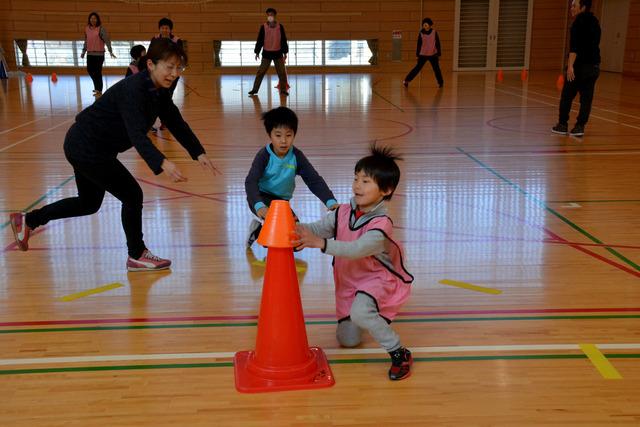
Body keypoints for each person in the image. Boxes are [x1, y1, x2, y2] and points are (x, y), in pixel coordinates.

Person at [9, 39, 219, 272]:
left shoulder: (159, 90)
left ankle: (28, 220)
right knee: (132, 195)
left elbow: (174, 120)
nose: (174, 73)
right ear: (151, 64)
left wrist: (198, 152)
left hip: (90, 146)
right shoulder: (134, 90)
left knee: (88, 203)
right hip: (87, 146)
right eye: (169, 67)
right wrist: (162, 162)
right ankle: (137, 254)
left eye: (178, 68)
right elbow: (137, 134)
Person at [293, 144, 414, 381]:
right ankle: (365, 314)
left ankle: (399, 351)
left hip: (376, 279)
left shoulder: (382, 225)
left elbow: (355, 249)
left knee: (360, 313)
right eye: (356, 178)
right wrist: (294, 229)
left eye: (366, 181)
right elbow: (319, 228)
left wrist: (319, 244)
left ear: (386, 190)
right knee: (348, 340)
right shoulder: (343, 211)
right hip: (349, 280)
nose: (357, 185)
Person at [244, 106, 337, 247]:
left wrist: (330, 202)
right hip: (261, 198)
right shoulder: (264, 156)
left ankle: (259, 229)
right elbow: (251, 182)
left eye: (288, 135)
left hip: (282, 203)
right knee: (276, 238)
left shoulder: (296, 156)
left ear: (294, 135)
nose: (283, 141)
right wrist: (259, 206)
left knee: (294, 239)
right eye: (278, 135)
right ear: (270, 135)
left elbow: (314, 180)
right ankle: (263, 228)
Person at [552, 0, 601, 137]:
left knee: (567, 96)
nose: (571, 8)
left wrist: (570, 67)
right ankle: (579, 127)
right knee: (586, 99)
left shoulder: (577, 23)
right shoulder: (595, 22)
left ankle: (562, 125)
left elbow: (574, 48)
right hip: (594, 67)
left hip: (579, 67)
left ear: (583, 7)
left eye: (574, 5)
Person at [248, 8, 289, 96]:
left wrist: (285, 52)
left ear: (274, 16)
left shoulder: (280, 27)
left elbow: (283, 40)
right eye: (268, 15)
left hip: (278, 53)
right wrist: (257, 52)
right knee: (261, 72)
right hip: (267, 53)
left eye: (271, 14)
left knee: (282, 73)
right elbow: (260, 40)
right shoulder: (263, 27)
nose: (270, 16)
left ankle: (283, 90)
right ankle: (255, 89)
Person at [80, 12, 116, 97]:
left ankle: (99, 89)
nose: (93, 20)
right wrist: (83, 52)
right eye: (91, 18)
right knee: (90, 70)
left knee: (97, 72)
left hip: (99, 55)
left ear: (97, 20)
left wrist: (110, 51)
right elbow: (86, 41)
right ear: (89, 19)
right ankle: (97, 87)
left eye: (95, 18)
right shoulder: (87, 29)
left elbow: (107, 40)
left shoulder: (101, 29)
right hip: (90, 54)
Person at [403, 17, 443, 89]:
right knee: (417, 68)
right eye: (424, 25)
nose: (425, 26)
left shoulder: (434, 32)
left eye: (426, 24)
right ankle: (406, 80)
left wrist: (439, 53)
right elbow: (419, 44)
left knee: (436, 69)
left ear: (430, 25)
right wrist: (417, 54)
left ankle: (441, 82)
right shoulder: (421, 33)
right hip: (423, 54)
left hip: (433, 54)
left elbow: (438, 43)